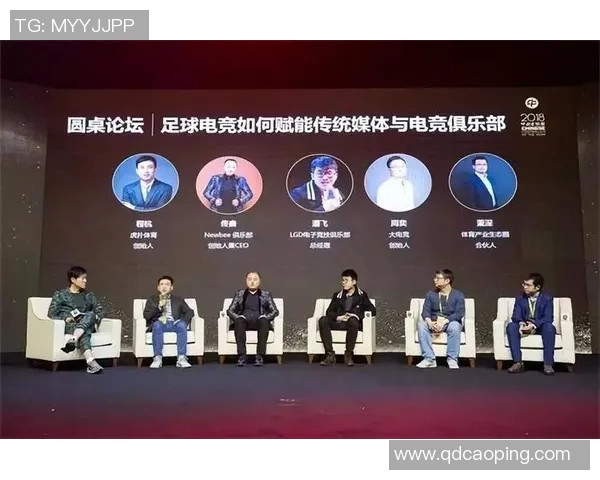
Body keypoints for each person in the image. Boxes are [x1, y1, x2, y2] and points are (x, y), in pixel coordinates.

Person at [47, 266, 104, 374]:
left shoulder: (89, 295)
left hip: (85, 323)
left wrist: (96, 318)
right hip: (70, 325)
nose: (85, 281)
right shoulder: (60, 295)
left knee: (91, 314)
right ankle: (90, 360)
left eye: (85, 278)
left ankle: (74, 338)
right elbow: (51, 314)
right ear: (73, 279)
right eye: (83, 278)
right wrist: (66, 318)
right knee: (85, 331)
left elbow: (99, 310)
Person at [318, 269, 376, 366]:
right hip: (339, 322)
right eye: (342, 280)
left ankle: (348, 354)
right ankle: (330, 355)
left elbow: (372, 311)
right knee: (323, 320)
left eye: (346, 280)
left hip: (353, 324)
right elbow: (329, 312)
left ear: (354, 282)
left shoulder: (362, 296)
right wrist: (338, 317)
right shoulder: (337, 296)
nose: (343, 283)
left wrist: (355, 316)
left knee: (352, 320)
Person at [506, 273, 556, 375]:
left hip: (539, 326)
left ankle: (548, 364)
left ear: (537, 287)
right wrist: (521, 324)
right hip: (524, 325)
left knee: (549, 327)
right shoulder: (520, 297)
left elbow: (548, 317)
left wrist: (533, 325)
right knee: (511, 326)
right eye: (524, 284)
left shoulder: (547, 298)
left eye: (528, 285)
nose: (525, 287)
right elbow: (516, 316)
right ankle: (517, 363)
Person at [226, 271, 279, 366]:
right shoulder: (240, 294)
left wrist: (265, 317)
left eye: (255, 279)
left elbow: (275, 311)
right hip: (244, 321)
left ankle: (259, 357)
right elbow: (230, 311)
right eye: (249, 279)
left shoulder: (266, 295)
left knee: (264, 321)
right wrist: (238, 317)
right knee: (239, 321)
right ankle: (242, 356)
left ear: (260, 281)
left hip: (259, 321)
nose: (252, 282)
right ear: (246, 281)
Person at [416, 269, 465, 369]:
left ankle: (452, 359)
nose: (435, 280)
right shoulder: (430, 294)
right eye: (435, 278)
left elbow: (459, 313)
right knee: (421, 324)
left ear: (447, 281)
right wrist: (430, 322)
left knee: (455, 326)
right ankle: (429, 359)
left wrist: (443, 322)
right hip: (434, 321)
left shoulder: (458, 295)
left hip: (449, 322)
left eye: (438, 278)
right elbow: (425, 312)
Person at [143, 275, 194, 369]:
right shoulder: (152, 299)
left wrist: (182, 321)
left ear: (171, 288)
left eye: (167, 284)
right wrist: (158, 307)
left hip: (174, 324)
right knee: (157, 325)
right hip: (160, 324)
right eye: (162, 284)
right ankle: (157, 358)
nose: (164, 287)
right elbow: (147, 316)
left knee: (182, 325)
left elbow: (190, 312)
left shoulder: (178, 299)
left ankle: (181, 358)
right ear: (158, 287)